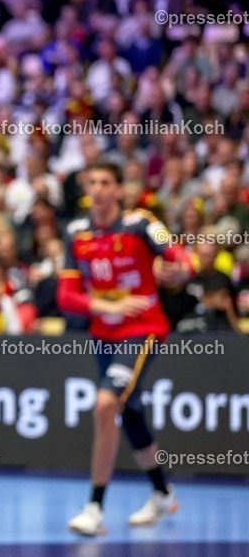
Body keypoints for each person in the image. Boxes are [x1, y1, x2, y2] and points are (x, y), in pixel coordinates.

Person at [58, 161, 193, 536]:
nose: (98, 189)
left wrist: (177, 271)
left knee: (105, 404)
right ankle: (162, 492)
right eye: (92, 183)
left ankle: (94, 508)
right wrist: (107, 306)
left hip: (142, 328)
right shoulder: (76, 232)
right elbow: (66, 296)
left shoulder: (140, 224)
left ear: (119, 190)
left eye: (105, 182)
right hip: (104, 332)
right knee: (129, 411)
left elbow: (181, 260)